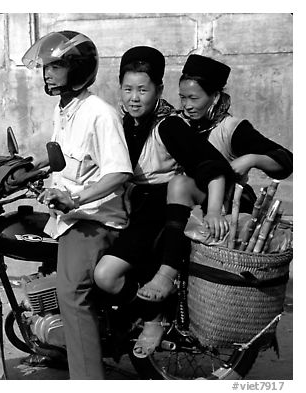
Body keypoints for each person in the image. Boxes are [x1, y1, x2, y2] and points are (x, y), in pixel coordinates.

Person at [92, 46, 234, 358]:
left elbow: (211, 168)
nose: (134, 98)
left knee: (106, 274)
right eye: (127, 89)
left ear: (159, 90)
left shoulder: (168, 125)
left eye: (143, 90)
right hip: (130, 203)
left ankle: (154, 316)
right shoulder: (124, 122)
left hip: (160, 207)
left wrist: (212, 211)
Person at [136, 54, 293, 303]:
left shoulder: (232, 128)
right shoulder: (175, 122)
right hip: (179, 204)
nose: (187, 105)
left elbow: (285, 161)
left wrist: (252, 158)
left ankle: (167, 275)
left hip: (224, 203)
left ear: (215, 97)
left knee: (180, 183)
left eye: (194, 98)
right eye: (183, 98)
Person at [22, 31, 133, 379]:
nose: (48, 73)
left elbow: (118, 172)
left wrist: (75, 199)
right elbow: (62, 157)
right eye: (46, 66)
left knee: (71, 294)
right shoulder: (65, 109)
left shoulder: (100, 113)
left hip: (95, 220)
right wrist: (26, 168)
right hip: (68, 215)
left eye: (56, 66)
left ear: (78, 68)